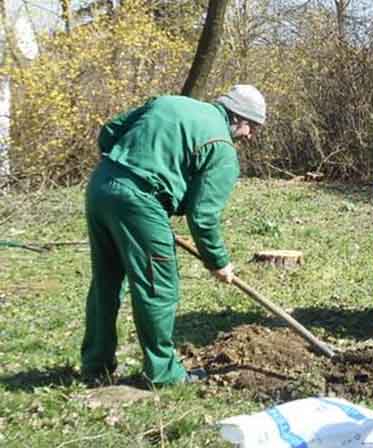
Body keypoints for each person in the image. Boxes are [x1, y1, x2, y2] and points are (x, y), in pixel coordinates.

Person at [82, 85, 266, 386]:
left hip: (101, 185)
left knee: (106, 281)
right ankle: (164, 374)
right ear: (238, 118)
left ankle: (95, 365)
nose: (250, 135)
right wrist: (218, 261)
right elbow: (203, 216)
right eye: (252, 127)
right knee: (158, 287)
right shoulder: (221, 146)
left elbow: (109, 131)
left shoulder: (169, 103)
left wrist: (124, 168)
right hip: (139, 200)